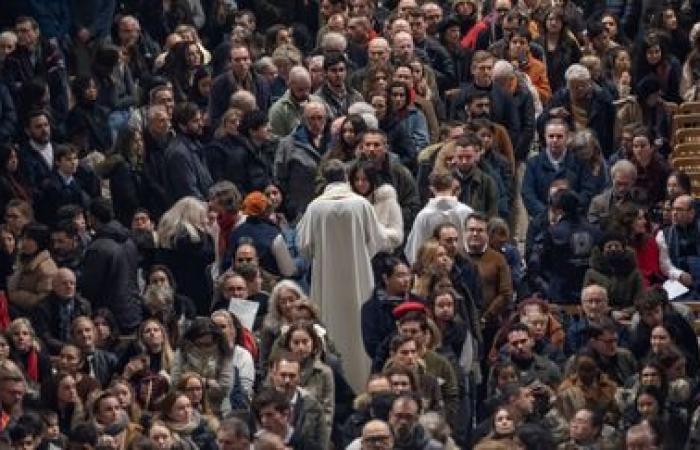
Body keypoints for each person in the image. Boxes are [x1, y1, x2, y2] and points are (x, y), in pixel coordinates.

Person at [297, 159, 386, 391]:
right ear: (346, 176)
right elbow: (376, 240)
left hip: (326, 279)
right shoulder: (360, 204)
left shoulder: (315, 207)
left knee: (329, 326)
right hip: (359, 276)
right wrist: (358, 254)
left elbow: (304, 247)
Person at [80, 199, 142, 333]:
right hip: (132, 308)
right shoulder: (129, 241)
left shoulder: (98, 248)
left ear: (92, 218)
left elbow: (90, 286)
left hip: (109, 315)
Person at [274, 101, 330, 221]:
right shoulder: (288, 144)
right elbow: (280, 178)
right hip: (300, 210)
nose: (316, 123)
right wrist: (289, 207)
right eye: (312, 119)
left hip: (328, 207)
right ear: (303, 119)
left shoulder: (333, 142)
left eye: (320, 118)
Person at [32, 268, 91, 355]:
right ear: (54, 286)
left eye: (72, 283)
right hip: (53, 352)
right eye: (64, 283)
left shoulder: (84, 305)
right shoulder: (42, 307)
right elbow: (44, 336)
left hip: (80, 349)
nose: (69, 286)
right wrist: (67, 348)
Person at [7, 223, 58, 318]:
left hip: (33, 318)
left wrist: (14, 295)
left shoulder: (46, 269)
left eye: (29, 239)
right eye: (23, 238)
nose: (24, 242)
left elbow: (42, 299)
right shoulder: (22, 259)